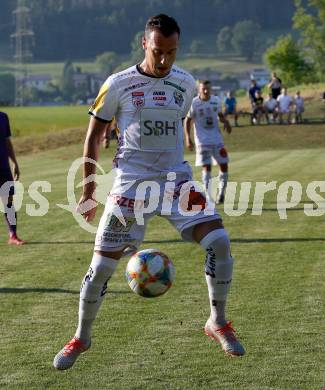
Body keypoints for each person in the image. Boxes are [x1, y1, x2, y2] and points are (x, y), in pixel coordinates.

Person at [53, 14, 245, 370]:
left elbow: (176, 122)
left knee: (219, 240)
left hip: (176, 180)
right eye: (158, 51)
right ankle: (81, 337)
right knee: (99, 269)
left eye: (171, 52)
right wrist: (89, 190)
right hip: (131, 186)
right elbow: (94, 137)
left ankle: (217, 322)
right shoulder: (118, 83)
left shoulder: (185, 83)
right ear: (144, 44)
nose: (164, 60)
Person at [184, 80, 231, 204]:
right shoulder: (194, 103)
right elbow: (187, 121)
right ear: (199, 89)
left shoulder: (216, 100)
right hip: (202, 141)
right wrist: (188, 138)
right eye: (203, 89)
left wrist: (225, 122)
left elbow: (220, 114)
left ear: (211, 89)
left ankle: (221, 193)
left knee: (224, 164)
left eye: (207, 89)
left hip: (217, 140)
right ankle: (209, 198)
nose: (205, 91)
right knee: (207, 167)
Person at [0, 111, 25, 245]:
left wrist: (14, 162)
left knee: (8, 202)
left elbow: (7, 141)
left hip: (3, 167)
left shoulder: (3, 117)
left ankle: (13, 235)